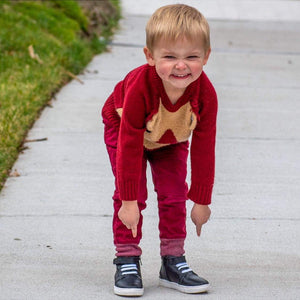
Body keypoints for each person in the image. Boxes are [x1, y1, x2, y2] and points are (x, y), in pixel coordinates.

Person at [102, 3, 217, 297]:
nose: (182, 66)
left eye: (192, 56)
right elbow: (129, 144)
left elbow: (204, 147)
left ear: (206, 56)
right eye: (170, 57)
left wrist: (201, 200)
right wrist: (129, 200)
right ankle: (127, 258)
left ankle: (172, 261)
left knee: (174, 193)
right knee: (133, 195)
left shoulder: (205, 95)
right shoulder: (141, 87)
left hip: (170, 137)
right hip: (125, 129)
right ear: (150, 56)